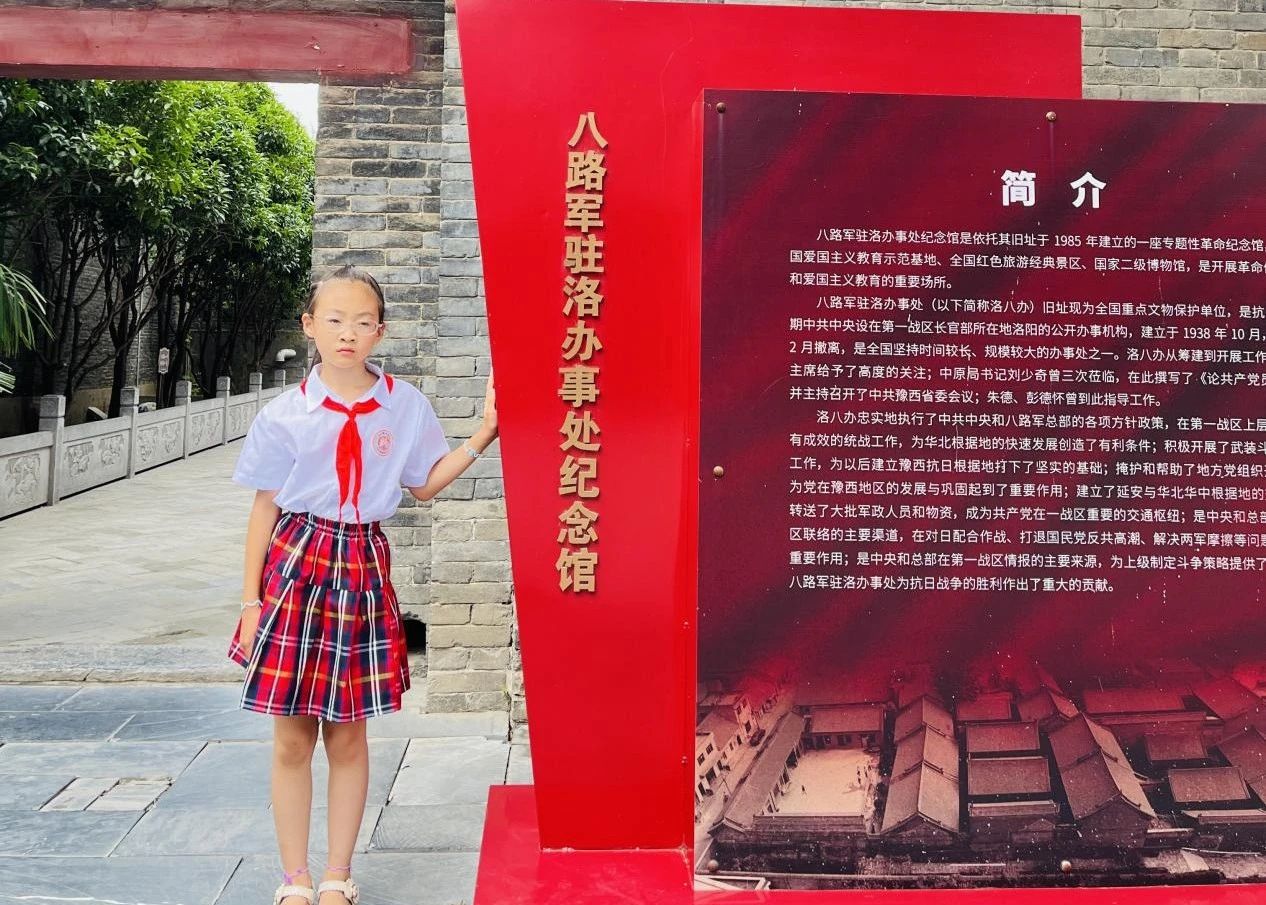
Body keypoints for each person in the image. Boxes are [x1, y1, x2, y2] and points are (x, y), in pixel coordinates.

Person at [227, 265, 498, 905]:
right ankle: (294, 878)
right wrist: (250, 601)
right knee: (292, 735)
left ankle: (337, 875)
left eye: (362, 321)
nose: (347, 333)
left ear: (381, 331)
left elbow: (423, 484)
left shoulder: (405, 406)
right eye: (334, 320)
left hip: (362, 565)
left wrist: (486, 432)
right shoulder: (284, 415)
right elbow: (264, 510)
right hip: (295, 563)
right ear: (309, 326)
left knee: (348, 732)